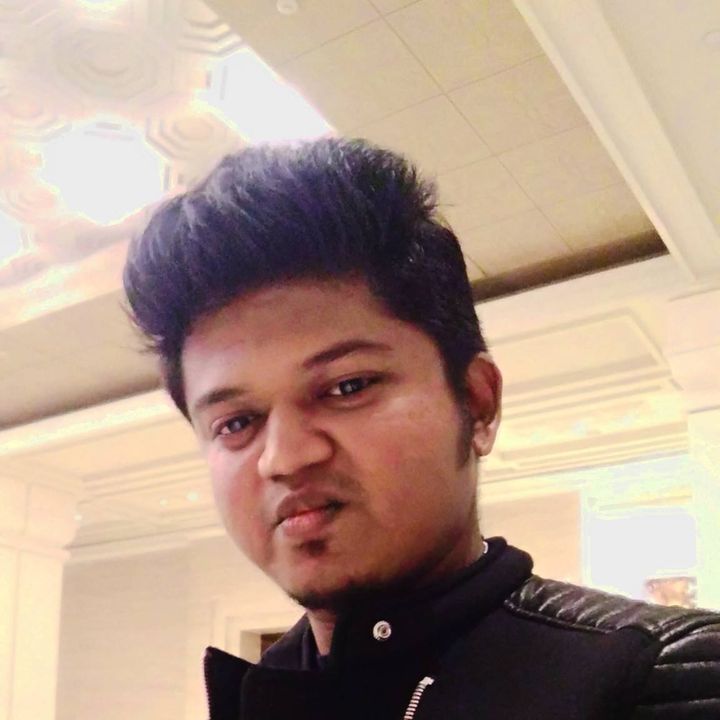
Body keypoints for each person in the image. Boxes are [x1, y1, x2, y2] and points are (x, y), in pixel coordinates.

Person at [123, 138, 720, 720]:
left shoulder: (659, 674)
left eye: (348, 387)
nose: (285, 457)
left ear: (477, 404)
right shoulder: (262, 689)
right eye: (236, 422)